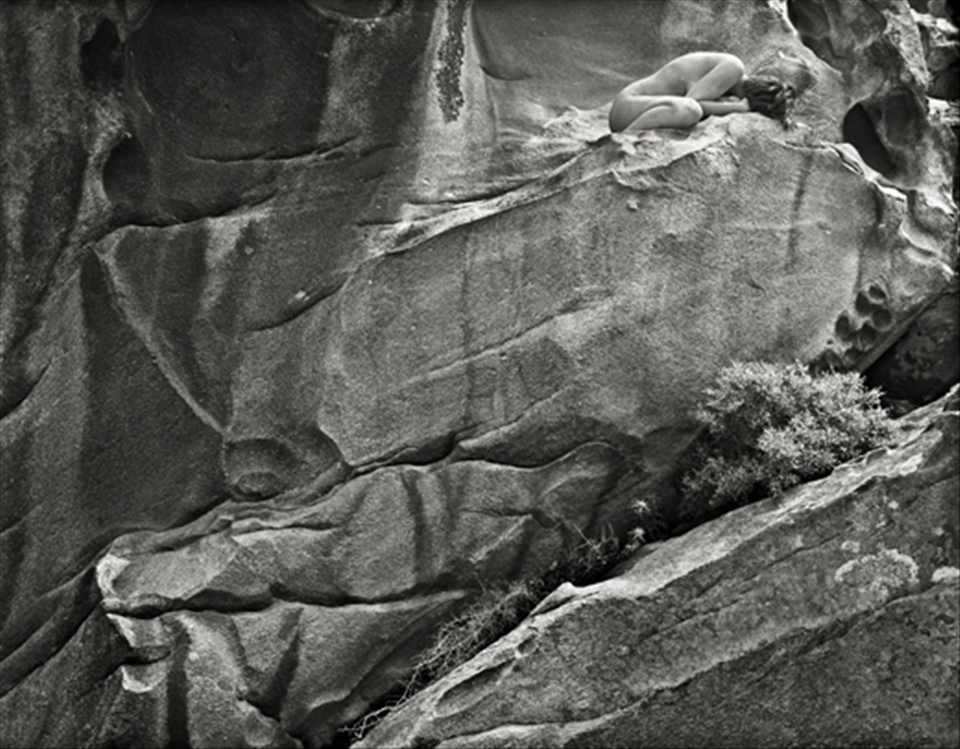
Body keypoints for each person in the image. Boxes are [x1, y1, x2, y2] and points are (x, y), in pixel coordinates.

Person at [609, 52, 796, 132]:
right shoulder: (733, 68)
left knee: (691, 112)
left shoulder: (724, 88)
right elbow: (692, 102)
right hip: (628, 107)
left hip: (636, 111)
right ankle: (622, 141)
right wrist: (739, 108)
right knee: (690, 110)